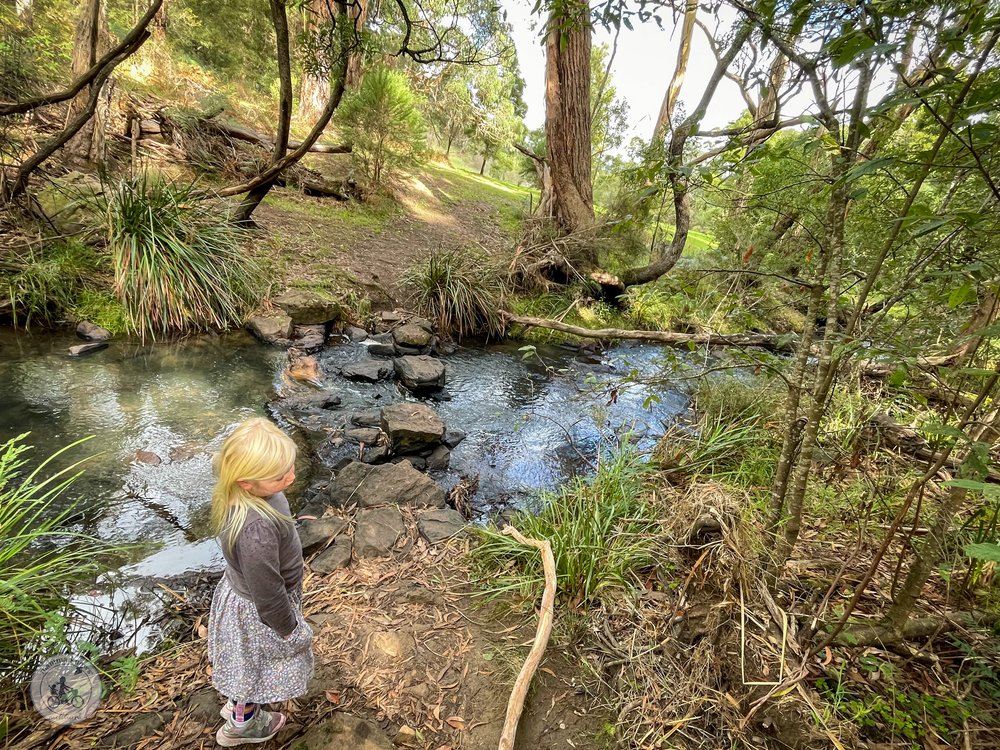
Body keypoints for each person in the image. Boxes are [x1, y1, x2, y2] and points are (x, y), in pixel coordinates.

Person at [207, 418, 314, 747]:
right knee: (255, 665)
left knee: (247, 662)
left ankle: (241, 703)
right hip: (259, 611)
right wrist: (288, 627)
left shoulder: (247, 495)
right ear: (247, 483)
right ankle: (242, 724)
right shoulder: (255, 530)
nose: (291, 477)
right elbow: (267, 593)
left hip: (253, 598)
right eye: (280, 475)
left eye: (291, 467)